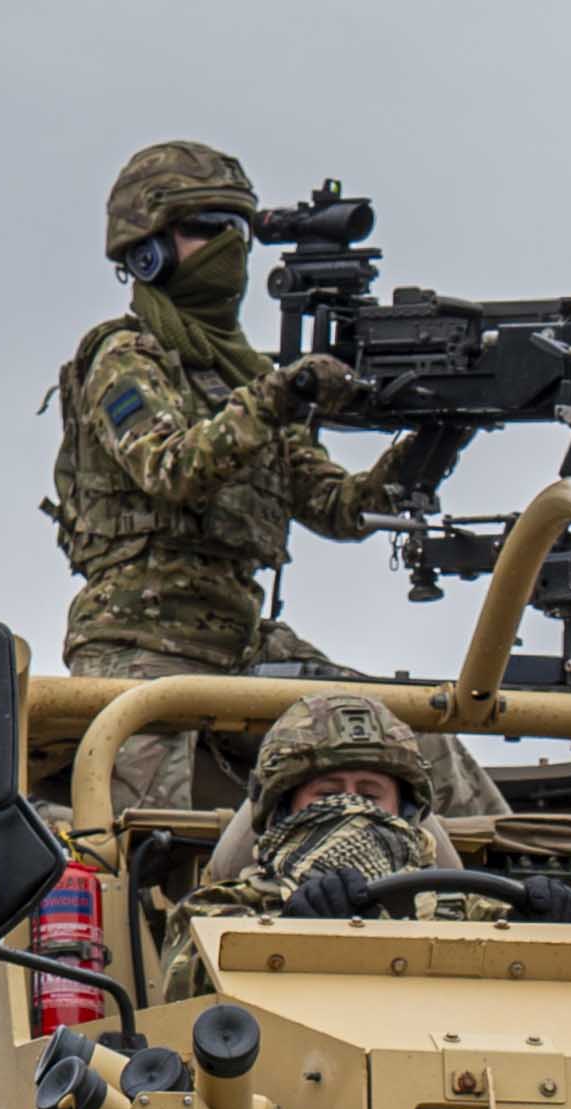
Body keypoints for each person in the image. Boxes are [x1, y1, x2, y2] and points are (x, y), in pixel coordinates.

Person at [51, 141, 450, 810]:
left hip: (240, 643)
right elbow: (170, 467)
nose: (227, 248)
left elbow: (338, 506)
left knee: (413, 734)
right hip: (138, 647)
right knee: (139, 835)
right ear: (145, 249)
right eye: (204, 230)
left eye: (237, 231)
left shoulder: (242, 377)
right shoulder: (123, 359)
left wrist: (435, 435)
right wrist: (282, 396)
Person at [238, 690, 484, 910]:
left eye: (369, 795)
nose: (352, 807)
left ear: (404, 812)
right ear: (284, 810)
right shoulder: (230, 907)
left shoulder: (469, 911)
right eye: (328, 794)